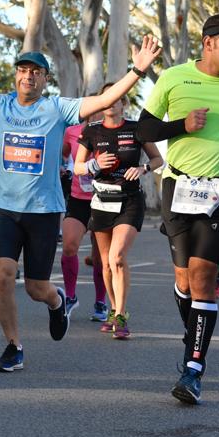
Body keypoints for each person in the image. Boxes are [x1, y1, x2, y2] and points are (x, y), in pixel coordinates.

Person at [0, 9, 160, 372]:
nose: (28, 75)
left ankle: (56, 302)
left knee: (35, 288)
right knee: (1, 275)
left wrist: (137, 70)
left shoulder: (58, 108)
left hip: (44, 212)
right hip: (6, 209)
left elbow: (103, 101)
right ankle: (14, 346)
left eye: (36, 71)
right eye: (23, 70)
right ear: (16, 76)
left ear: (46, 78)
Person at [136, 13, 219, 404]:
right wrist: (181, 125)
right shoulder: (174, 78)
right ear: (208, 42)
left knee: (204, 276)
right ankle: (194, 331)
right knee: (184, 279)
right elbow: (144, 130)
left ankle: (194, 367)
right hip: (177, 186)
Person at [73, 84, 163, 339]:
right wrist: (94, 164)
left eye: (119, 99)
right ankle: (113, 308)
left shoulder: (136, 129)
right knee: (105, 263)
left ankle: (122, 315)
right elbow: (78, 167)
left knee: (118, 257)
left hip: (130, 201)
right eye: (109, 98)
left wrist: (143, 169)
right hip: (102, 201)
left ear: (124, 103)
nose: (113, 103)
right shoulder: (91, 131)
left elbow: (158, 160)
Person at [60, 116, 110, 321]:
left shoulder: (111, 133)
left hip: (104, 199)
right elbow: (64, 153)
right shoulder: (72, 131)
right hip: (78, 199)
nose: (96, 115)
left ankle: (100, 301)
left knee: (100, 257)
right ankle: (70, 296)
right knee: (69, 246)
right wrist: (64, 166)